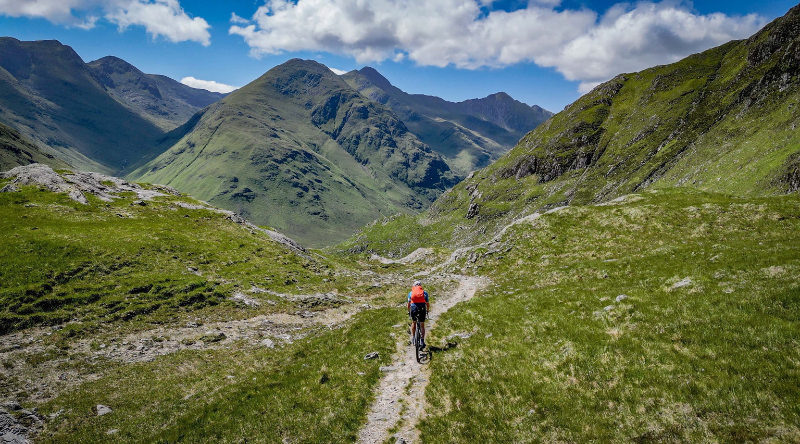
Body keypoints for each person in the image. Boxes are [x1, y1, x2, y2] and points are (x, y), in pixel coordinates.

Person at [407, 280, 429, 348]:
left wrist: (409, 311)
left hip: (413, 308)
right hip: (422, 308)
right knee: (422, 325)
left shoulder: (411, 293)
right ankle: (422, 341)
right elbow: (427, 304)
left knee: (414, 322)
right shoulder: (424, 293)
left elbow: (408, 304)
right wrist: (427, 311)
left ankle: (413, 338)